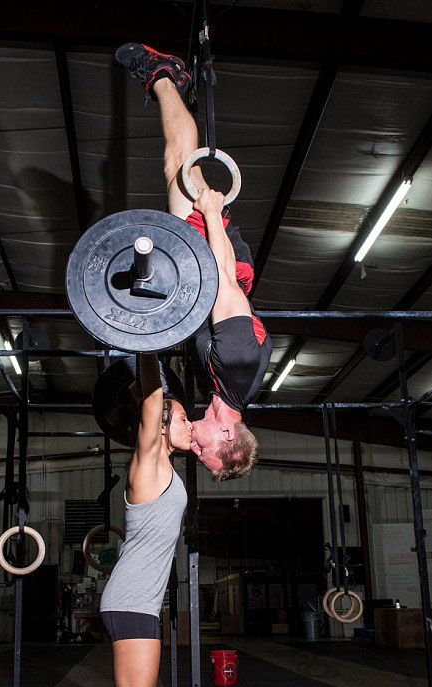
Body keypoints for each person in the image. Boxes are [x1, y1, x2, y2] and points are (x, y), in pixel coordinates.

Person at [116, 42, 273, 480]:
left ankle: (169, 80)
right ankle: (163, 73)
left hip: (208, 266)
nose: (196, 450)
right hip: (215, 256)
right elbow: (226, 281)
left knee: (179, 164)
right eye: (204, 455)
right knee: (178, 164)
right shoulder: (238, 367)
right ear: (227, 438)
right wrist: (209, 213)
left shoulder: (222, 389)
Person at [100, 353, 192, 687]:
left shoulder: (167, 467)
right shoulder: (149, 460)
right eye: (178, 417)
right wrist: (151, 333)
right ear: (158, 423)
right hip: (132, 602)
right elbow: (153, 397)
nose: (186, 423)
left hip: (140, 603)